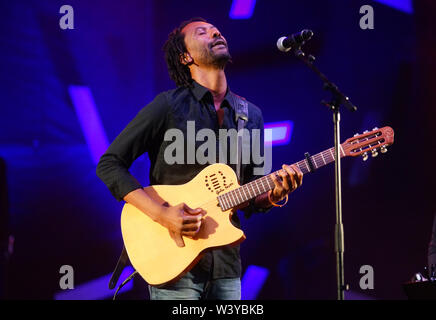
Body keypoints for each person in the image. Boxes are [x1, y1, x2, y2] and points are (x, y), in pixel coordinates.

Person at [96, 17, 303, 300]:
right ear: (185, 56)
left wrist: (276, 192)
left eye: (215, 29)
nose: (215, 32)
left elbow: (254, 196)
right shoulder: (168, 106)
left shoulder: (250, 114)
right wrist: (162, 214)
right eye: (201, 32)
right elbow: (110, 164)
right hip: (173, 263)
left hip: (227, 267)